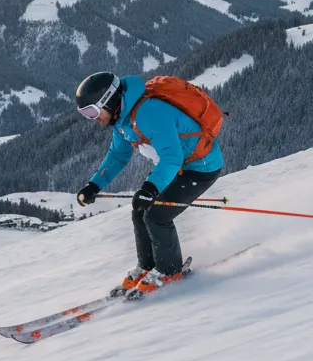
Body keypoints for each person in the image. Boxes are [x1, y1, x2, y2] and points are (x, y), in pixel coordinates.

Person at [74, 71, 223, 294]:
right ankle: (148, 266)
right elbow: (118, 156)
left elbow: (172, 157)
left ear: (110, 101)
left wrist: (150, 188)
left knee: (157, 215)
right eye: (85, 114)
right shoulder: (122, 120)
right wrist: (94, 185)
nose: (93, 118)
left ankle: (170, 272)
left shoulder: (149, 112)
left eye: (92, 111)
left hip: (200, 168)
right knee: (140, 210)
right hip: (177, 167)